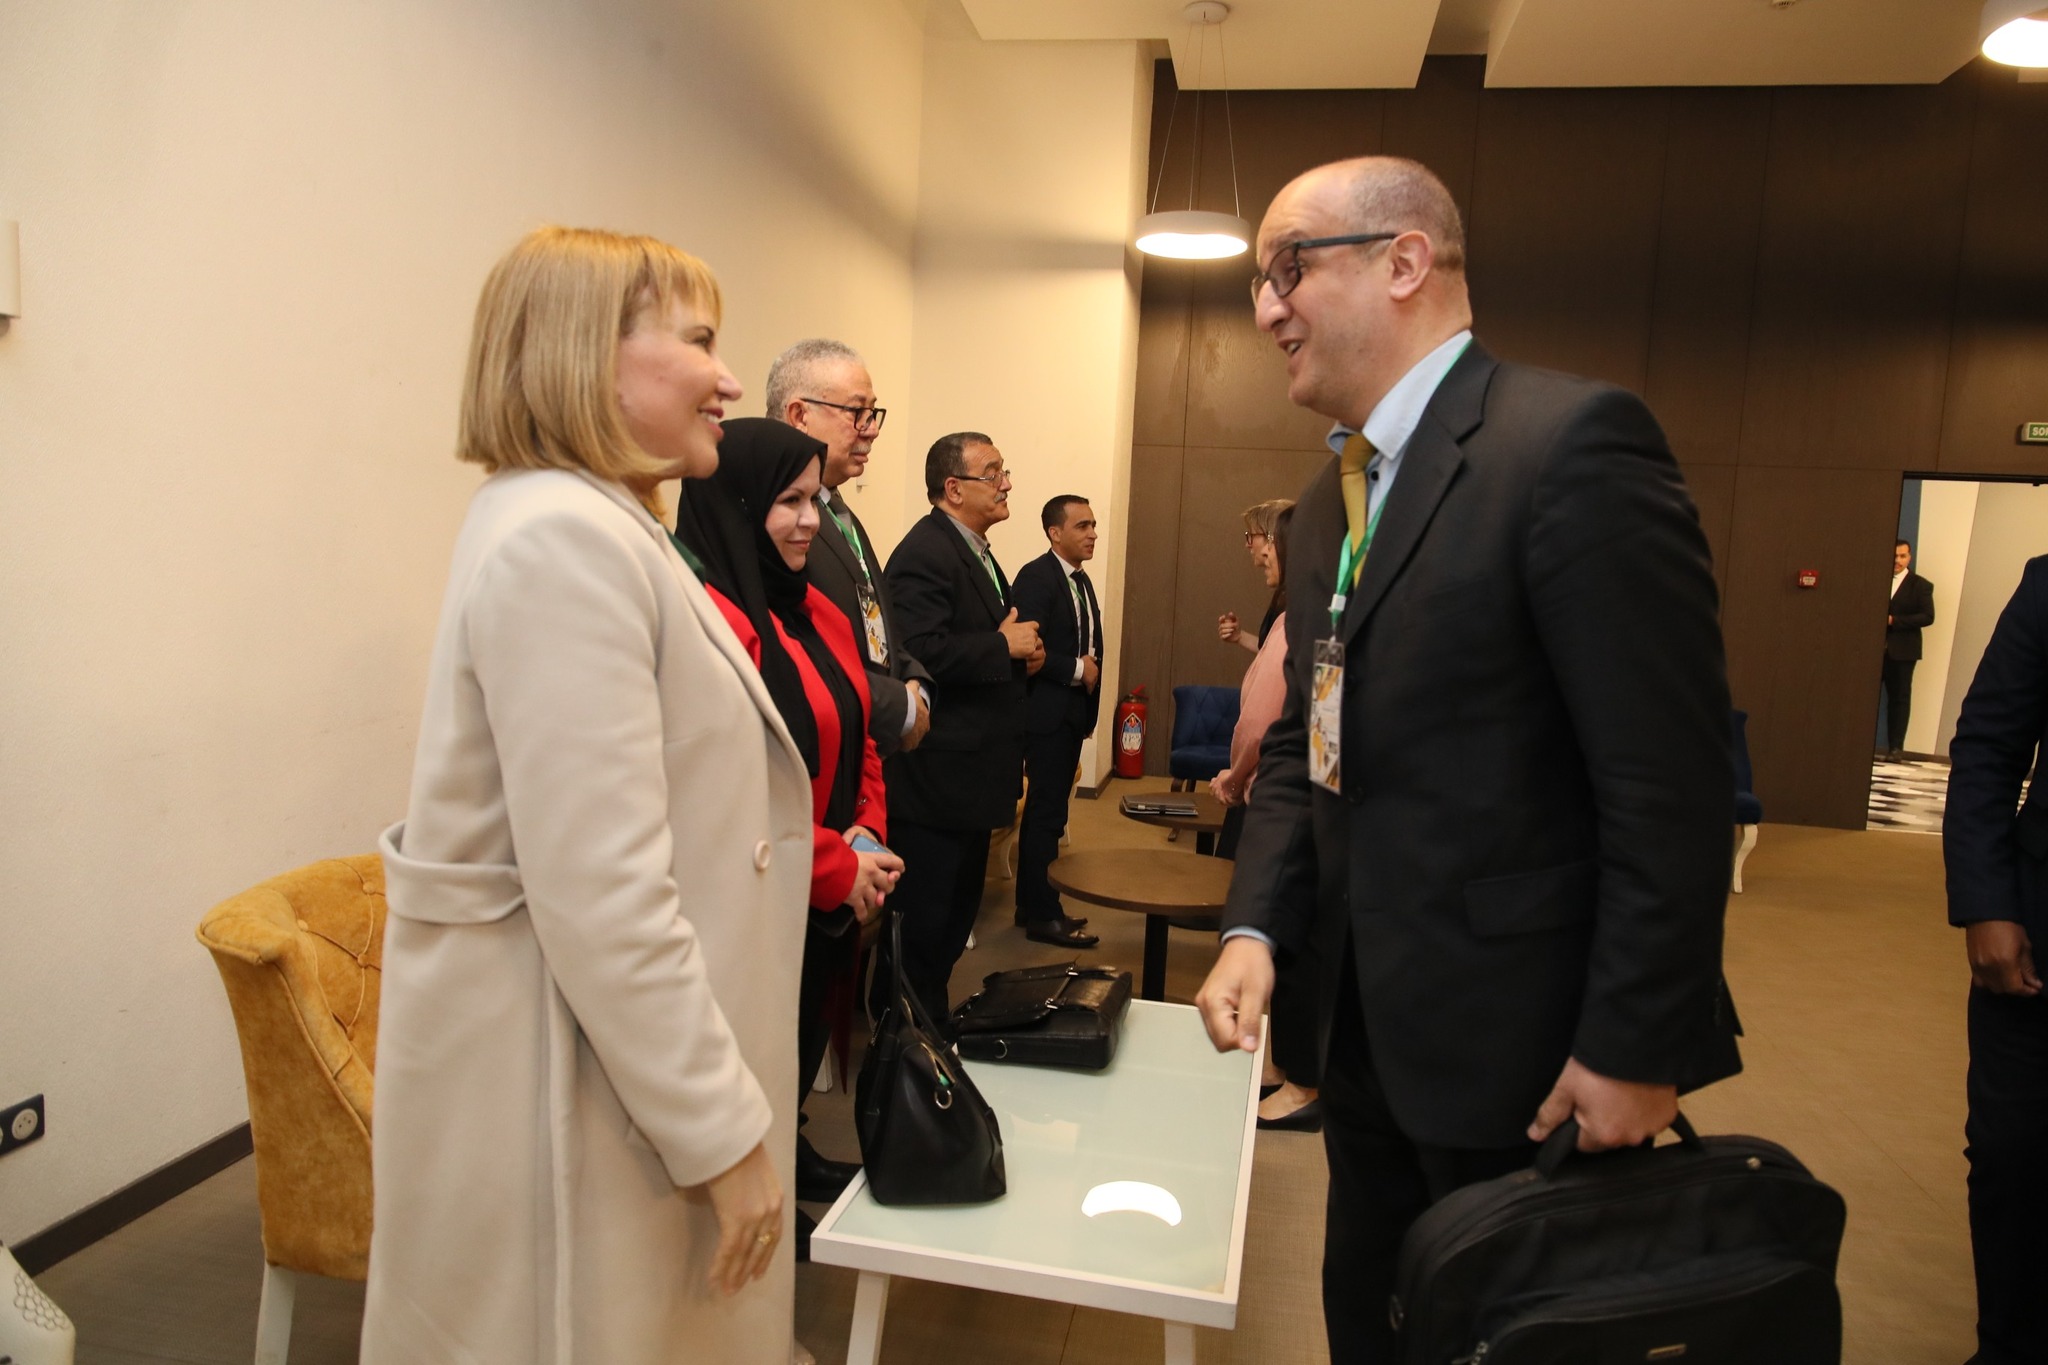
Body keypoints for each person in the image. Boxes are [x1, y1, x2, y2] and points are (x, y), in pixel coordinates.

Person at [1193, 157, 1738, 1364]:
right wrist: (1255, 927)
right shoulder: (1327, 502)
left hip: (1530, 1058)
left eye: (1286, 270)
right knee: (1375, 1323)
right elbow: (1304, 747)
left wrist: (1636, 1044)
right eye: (1257, 284)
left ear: (1403, 262)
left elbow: (1668, 782)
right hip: (1365, 1042)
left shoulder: (1569, 445)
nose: (1265, 309)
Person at [364, 227, 808, 1365]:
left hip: (607, 1071)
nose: (726, 379)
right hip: (573, 1090)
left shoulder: (592, 522)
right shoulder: (564, 539)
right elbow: (601, 897)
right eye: (699, 341)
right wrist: (722, 1135)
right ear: (587, 357)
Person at [673, 417, 904, 1239]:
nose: (810, 519)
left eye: (815, 499)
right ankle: (747, 1225)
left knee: (794, 1057)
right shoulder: (706, 626)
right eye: (789, 501)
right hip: (757, 901)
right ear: (737, 504)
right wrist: (837, 864)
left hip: (830, 890)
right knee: (749, 1072)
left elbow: (861, 730)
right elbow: (732, 796)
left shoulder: (817, 611)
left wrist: (866, 836)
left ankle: (784, 1168)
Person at [877, 432, 1043, 1023]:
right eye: (992, 473)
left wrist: (1018, 654)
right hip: (937, 781)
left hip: (971, 777)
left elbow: (977, 638)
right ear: (953, 489)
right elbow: (917, 652)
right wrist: (1001, 646)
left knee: (951, 919)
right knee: (925, 923)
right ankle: (906, 1042)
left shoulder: (974, 550)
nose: (1006, 483)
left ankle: (925, 1029)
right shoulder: (925, 552)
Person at [1942, 553, 2048, 1365]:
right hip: (2035, 943)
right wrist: (1986, 903)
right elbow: (1985, 749)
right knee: (2013, 1155)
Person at [766, 338, 933, 758]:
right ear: (800, 415)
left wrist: (916, 686)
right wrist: (899, 707)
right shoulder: (771, 520)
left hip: (867, 750)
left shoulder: (841, 514)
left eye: (873, 413)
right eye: (857, 412)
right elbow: (796, 654)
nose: (871, 429)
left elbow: (877, 623)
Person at [1209, 504, 1320, 1133]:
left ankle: (1302, 1082)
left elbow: (1262, 723)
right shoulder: (1296, 614)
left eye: (1263, 541)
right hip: (1294, 794)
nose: (1258, 552)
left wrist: (1235, 775)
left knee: (1295, 943)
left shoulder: (1301, 616)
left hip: (1288, 798)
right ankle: (1286, 1064)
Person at [1011, 494, 1105, 948]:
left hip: (1070, 715)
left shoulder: (1079, 581)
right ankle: (1044, 916)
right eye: (1082, 526)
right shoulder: (1037, 577)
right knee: (1046, 817)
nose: (1093, 534)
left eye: (1093, 525)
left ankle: (1030, 906)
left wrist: (1088, 710)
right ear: (1055, 533)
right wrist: (1078, 670)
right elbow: (1027, 650)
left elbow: (1089, 642)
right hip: (1044, 717)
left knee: (1047, 814)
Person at [1883, 538, 1936, 760]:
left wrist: (1895, 621)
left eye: (1902, 556)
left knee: (1899, 698)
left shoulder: (1920, 585)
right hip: (1872, 651)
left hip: (1903, 650)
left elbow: (1927, 617)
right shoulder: (1875, 578)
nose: (1898, 560)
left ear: (1909, 557)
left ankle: (1896, 748)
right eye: (1894, 556)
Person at [1216, 498, 1291, 656]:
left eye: (1252, 535)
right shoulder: (1283, 592)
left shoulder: (1297, 598)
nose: (1247, 544)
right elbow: (1269, 650)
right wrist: (1240, 636)